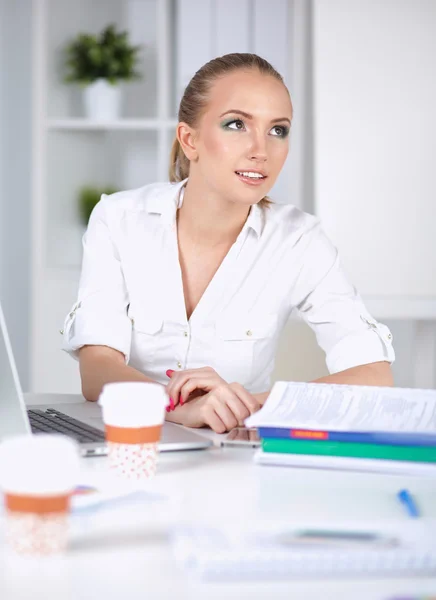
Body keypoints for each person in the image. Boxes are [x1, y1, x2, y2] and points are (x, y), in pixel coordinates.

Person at [62, 53, 395, 434]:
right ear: (190, 139)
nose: (261, 149)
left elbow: (373, 375)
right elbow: (97, 369)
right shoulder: (119, 219)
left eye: (278, 130)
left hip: (232, 452)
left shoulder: (299, 240)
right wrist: (174, 407)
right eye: (236, 124)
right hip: (125, 438)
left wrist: (237, 405)